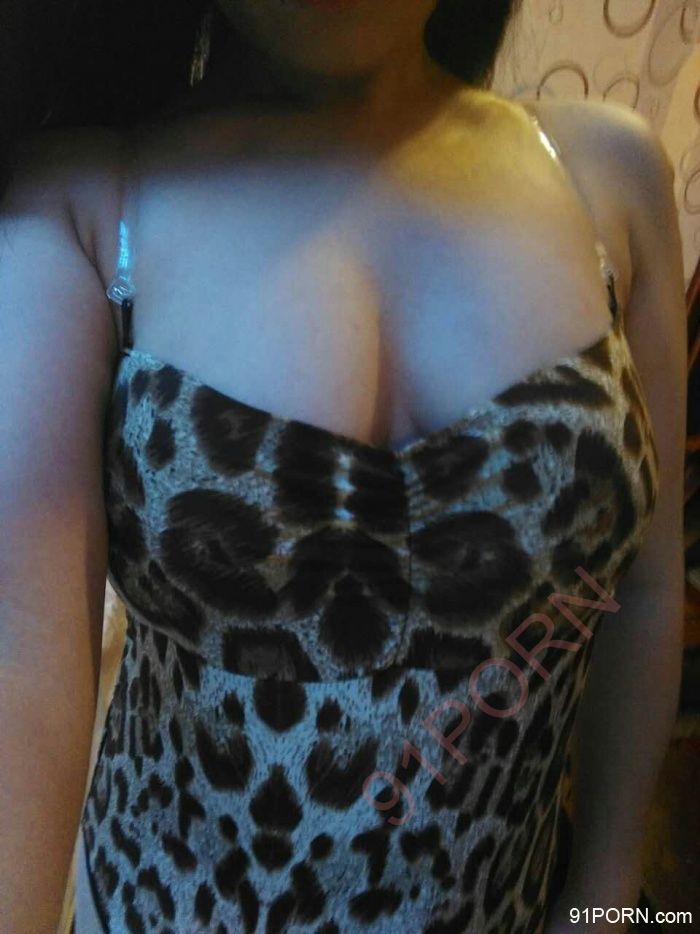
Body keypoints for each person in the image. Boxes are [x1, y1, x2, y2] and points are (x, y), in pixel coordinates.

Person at [0, 1, 687, 932]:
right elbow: (19, 658)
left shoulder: (608, 174)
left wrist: (606, 894)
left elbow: (643, 584)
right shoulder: (81, 208)